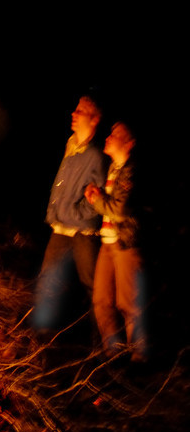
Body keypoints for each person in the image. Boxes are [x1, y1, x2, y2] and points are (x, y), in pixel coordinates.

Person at [33, 95, 108, 332]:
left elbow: (98, 197)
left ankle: (105, 342)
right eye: (75, 110)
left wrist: (75, 213)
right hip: (61, 227)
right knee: (48, 280)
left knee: (92, 285)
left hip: (83, 231)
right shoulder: (72, 145)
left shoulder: (96, 155)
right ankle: (41, 334)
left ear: (94, 120)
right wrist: (56, 212)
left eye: (80, 111)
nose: (74, 114)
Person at [85, 121, 149, 363]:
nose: (109, 137)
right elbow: (110, 204)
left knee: (128, 302)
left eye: (116, 134)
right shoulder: (113, 168)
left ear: (129, 144)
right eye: (110, 133)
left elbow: (120, 210)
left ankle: (140, 355)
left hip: (125, 244)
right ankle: (113, 353)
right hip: (107, 242)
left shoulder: (132, 171)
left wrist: (97, 199)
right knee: (101, 300)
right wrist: (98, 195)